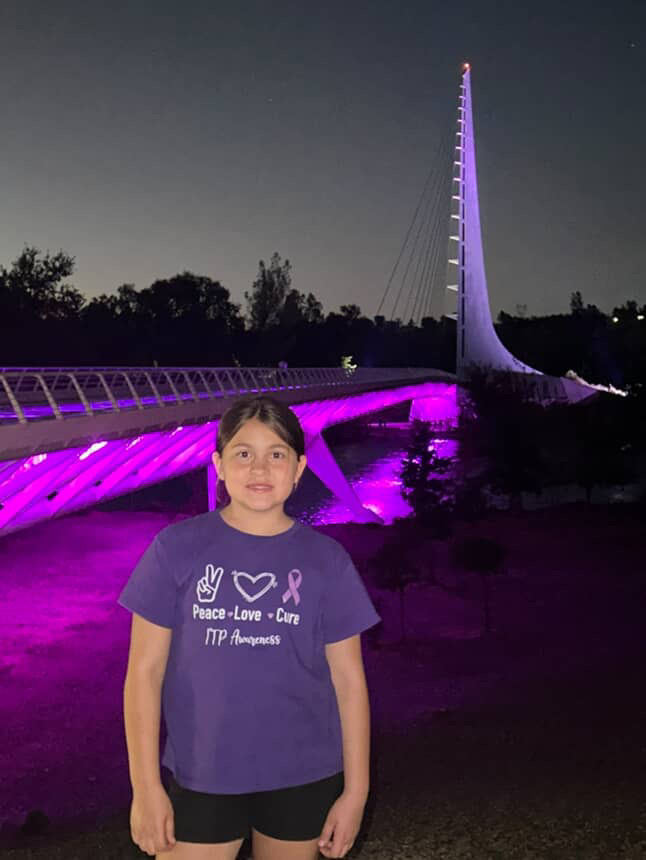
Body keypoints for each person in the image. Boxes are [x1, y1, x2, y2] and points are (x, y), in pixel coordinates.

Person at [118, 395, 381, 860]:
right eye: (244, 453)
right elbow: (144, 672)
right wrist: (146, 787)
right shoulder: (175, 549)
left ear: (299, 468)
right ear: (218, 464)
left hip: (305, 775)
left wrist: (355, 793)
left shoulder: (328, 561)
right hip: (201, 774)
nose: (260, 468)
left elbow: (349, 682)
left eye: (276, 454)